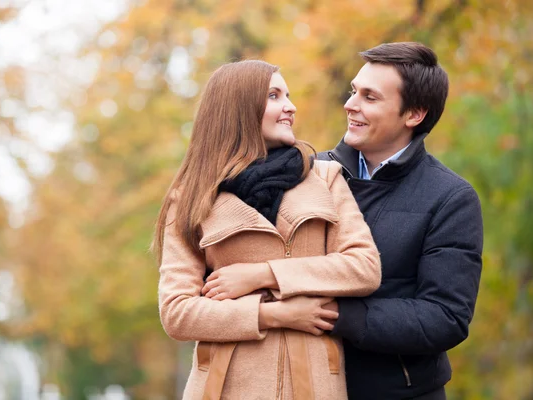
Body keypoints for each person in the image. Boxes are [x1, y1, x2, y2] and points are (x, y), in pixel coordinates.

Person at [154, 60, 381, 399]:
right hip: (224, 388)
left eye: (287, 95)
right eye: (274, 96)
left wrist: (263, 275)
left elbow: (364, 268)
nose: (290, 106)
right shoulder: (189, 198)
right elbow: (178, 312)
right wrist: (271, 314)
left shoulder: (325, 178)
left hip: (313, 385)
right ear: (238, 109)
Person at [316, 42, 484, 399]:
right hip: (306, 384)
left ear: (414, 114)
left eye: (370, 97)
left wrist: (333, 313)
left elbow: (445, 317)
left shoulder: (451, 198)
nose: (350, 104)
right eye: (353, 91)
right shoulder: (309, 173)